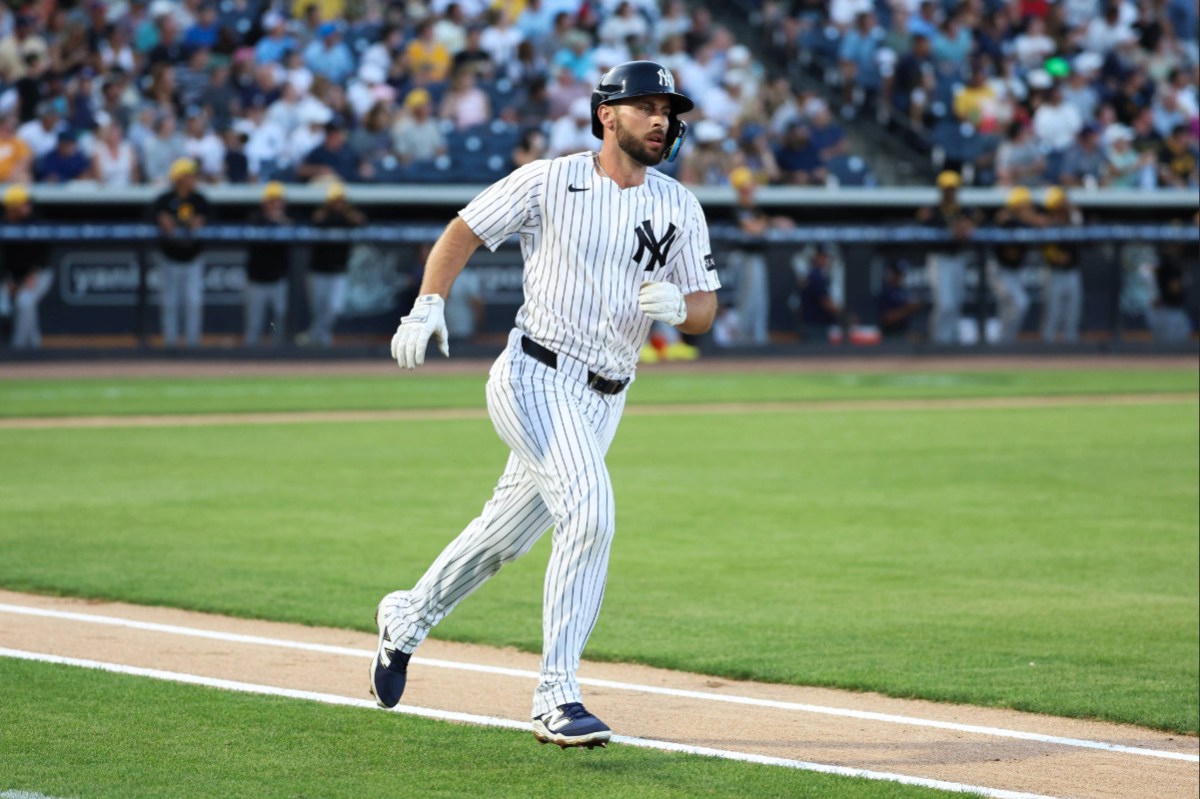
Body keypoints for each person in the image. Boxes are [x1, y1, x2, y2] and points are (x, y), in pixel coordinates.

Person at [372, 61, 718, 749]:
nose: (661, 119)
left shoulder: (679, 204)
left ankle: (406, 616)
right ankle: (557, 694)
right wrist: (428, 303)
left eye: (668, 108)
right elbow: (464, 229)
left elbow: (706, 306)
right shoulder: (550, 179)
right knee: (589, 510)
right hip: (533, 373)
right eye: (645, 105)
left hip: (606, 395)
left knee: (504, 538)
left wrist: (682, 309)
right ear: (605, 116)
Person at [153, 157, 210, 348]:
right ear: (178, 177)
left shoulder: (199, 199)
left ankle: (193, 346)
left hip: (193, 258)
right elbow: (150, 215)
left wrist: (201, 220)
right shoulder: (165, 200)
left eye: (193, 175)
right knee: (170, 303)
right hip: (169, 258)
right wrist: (161, 218)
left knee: (193, 303)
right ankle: (170, 344)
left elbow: (213, 216)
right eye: (188, 175)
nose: (192, 179)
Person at [300, 181, 366, 347]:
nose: (338, 204)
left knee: (335, 308)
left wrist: (350, 215)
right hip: (318, 271)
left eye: (341, 200)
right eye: (335, 201)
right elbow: (314, 221)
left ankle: (315, 335)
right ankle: (321, 339)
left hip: (339, 272)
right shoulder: (321, 216)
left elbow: (361, 221)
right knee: (318, 309)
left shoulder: (348, 216)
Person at [917, 170, 979, 344]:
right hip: (940, 259)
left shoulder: (964, 209)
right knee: (945, 304)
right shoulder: (933, 211)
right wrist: (956, 227)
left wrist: (962, 226)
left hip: (958, 258)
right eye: (947, 189)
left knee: (957, 303)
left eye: (953, 188)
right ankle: (939, 343)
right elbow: (927, 223)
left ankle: (953, 344)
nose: (950, 192)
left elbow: (967, 228)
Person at [0, 184, 52, 348]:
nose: (26, 207)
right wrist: (7, 280)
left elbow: (44, 256)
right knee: (5, 304)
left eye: (26, 203)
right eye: (22, 204)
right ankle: (34, 346)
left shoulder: (37, 222)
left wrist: (32, 275)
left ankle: (18, 349)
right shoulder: (3, 224)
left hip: (40, 274)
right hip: (11, 276)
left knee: (25, 301)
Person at [244, 181, 293, 347]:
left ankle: (278, 357)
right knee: (254, 322)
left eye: (278, 200)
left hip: (278, 279)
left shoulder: (287, 221)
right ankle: (249, 357)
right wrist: (274, 221)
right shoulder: (255, 218)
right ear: (265, 202)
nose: (276, 204)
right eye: (272, 200)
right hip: (256, 279)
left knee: (279, 319)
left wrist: (281, 222)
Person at [990, 186, 1042, 343]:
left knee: (1008, 307)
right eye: (1025, 205)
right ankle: (1004, 341)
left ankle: (1004, 342)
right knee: (1019, 303)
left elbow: (1042, 223)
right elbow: (1004, 220)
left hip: (1013, 270)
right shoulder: (1006, 221)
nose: (1029, 208)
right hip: (999, 269)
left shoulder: (1025, 222)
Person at [1039, 186, 1084, 343]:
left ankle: (1071, 350)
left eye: (1063, 205)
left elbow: (1081, 230)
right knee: (1053, 313)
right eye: (1058, 205)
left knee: (1072, 313)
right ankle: (1047, 347)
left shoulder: (1074, 220)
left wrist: (1073, 210)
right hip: (1054, 272)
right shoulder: (1048, 222)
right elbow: (1047, 250)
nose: (1062, 208)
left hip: (1072, 271)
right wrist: (1056, 256)